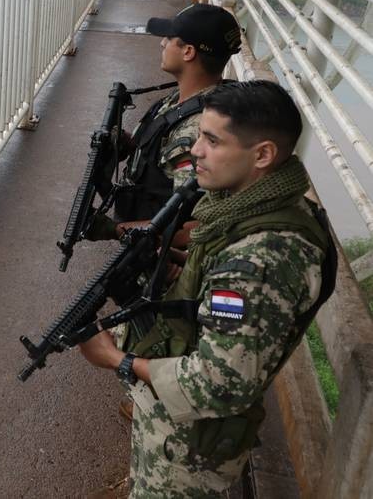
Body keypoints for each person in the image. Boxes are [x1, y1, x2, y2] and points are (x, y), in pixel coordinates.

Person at [78, 80, 336, 497]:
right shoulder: (253, 206)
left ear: (263, 155)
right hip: (178, 426)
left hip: (189, 452)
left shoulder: (261, 261)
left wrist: (117, 360)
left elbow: (220, 383)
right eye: (199, 135)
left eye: (213, 141)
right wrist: (180, 265)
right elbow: (221, 280)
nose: (196, 150)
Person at [90, 3, 241, 240]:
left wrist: (115, 231)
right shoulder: (189, 98)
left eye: (169, 38)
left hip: (158, 255)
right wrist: (128, 144)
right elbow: (163, 150)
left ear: (188, 52)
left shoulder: (193, 133)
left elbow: (189, 224)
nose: (162, 43)